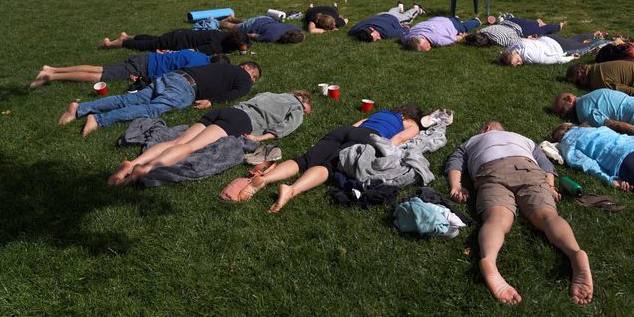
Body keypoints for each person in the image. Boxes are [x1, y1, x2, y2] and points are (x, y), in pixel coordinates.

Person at [445, 121, 592, 305]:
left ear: (486, 129)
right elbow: (545, 164)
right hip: (527, 168)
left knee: (497, 219)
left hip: (491, 170)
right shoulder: (525, 139)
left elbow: (455, 162)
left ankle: (489, 259)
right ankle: (575, 252)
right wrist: (551, 187)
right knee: (548, 216)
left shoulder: (472, 141)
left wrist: (456, 186)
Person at [227, 104, 423, 211]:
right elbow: (397, 140)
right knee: (330, 168)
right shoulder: (411, 124)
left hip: (345, 131)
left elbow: (357, 124)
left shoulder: (383, 112)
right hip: (368, 139)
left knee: (304, 160)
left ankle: (266, 178)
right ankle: (291, 189)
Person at [108, 90, 312, 186]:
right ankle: (144, 170)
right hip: (242, 121)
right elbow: (286, 127)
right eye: (307, 109)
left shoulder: (271, 93)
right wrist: (261, 138)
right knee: (190, 147)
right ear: (303, 102)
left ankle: (133, 163)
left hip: (227, 111)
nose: (306, 112)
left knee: (176, 141)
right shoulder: (297, 108)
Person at [57, 61, 261, 136]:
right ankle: (99, 119)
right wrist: (212, 101)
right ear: (248, 69)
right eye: (255, 76)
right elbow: (237, 93)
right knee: (150, 109)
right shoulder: (244, 77)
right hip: (185, 89)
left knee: (130, 100)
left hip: (174, 76)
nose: (252, 80)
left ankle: (80, 108)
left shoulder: (222, 65)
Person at [29, 50, 224, 89]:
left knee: (100, 68)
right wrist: (143, 81)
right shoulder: (200, 65)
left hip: (146, 57)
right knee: (99, 75)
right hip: (144, 66)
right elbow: (171, 74)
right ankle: (51, 76)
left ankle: (53, 68)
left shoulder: (197, 54)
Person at [99, 28, 250, 56]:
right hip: (176, 41)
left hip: (181, 33)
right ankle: (111, 44)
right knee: (149, 45)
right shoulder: (215, 47)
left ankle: (127, 36)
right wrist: (172, 53)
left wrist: (241, 49)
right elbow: (192, 51)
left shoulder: (221, 35)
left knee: (155, 39)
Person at [464, 17, 566, 47]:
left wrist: (530, 39)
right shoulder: (483, 30)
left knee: (542, 30)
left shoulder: (499, 40)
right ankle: (536, 22)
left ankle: (558, 26)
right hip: (510, 21)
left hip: (520, 29)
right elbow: (476, 32)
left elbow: (517, 40)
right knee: (532, 24)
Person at [349, 3, 425, 42]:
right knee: (391, 11)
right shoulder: (356, 29)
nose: (379, 38)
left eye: (377, 36)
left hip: (394, 18)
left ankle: (416, 8)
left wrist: (406, 28)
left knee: (408, 17)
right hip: (380, 15)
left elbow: (405, 30)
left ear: (372, 29)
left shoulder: (387, 33)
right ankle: (399, 7)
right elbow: (351, 31)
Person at [402, 16, 481, 51]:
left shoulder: (437, 39)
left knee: (462, 28)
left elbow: (456, 38)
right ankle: (456, 19)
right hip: (437, 20)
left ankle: (476, 21)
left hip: (451, 24)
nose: (429, 46)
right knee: (454, 22)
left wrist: (463, 36)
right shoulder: (406, 38)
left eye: (427, 45)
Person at [219, 15, 304, 43]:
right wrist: (242, 34)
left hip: (265, 18)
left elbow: (302, 34)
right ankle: (216, 23)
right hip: (254, 25)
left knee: (247, 22)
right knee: (233, 27)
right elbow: (253, 35)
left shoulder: (293, 27)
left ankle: (232, 18)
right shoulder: (272, 37)